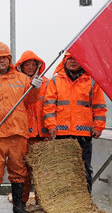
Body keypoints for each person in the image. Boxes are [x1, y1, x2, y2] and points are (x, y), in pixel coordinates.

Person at [0, 42, 42, 213]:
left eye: (4, 58)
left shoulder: (21, 79)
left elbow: (31, 101)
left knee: (19, 170)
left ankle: (19, 206)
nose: (1, 61)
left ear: (9, 59)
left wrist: (35, 88)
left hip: (18, 133)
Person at [43, 51, 107, 192]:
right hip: (61, 134)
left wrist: (99, 127)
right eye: (69, 58)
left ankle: (85, 200)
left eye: (76, 58)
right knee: (61, 169)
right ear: (64, 61)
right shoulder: (55, 80)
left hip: (83, 134)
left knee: (84, 168)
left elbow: (100, 107)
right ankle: (63, 201)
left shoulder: (91, 82)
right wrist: (51, 126)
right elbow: (49, 106)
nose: (73, 61)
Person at [14, 50, 50, 205]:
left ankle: (41, 201)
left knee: (42, 170)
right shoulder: (17, 83)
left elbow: (51, 106)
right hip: (23, 134)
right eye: (27, 64)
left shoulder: (47, 82)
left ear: (38, 65)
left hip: (42, 133)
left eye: (33, 64)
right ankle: (22, 201)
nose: (30, 67)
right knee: (23, 170)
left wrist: (50, 128)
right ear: (21, 66)